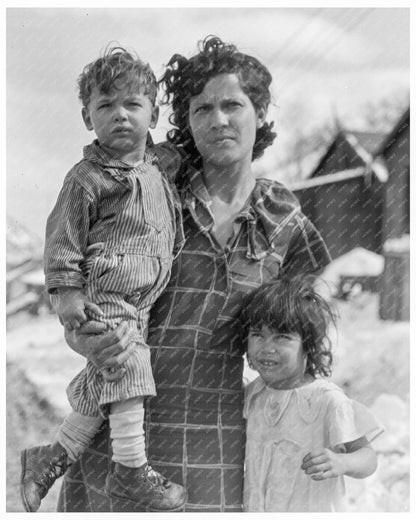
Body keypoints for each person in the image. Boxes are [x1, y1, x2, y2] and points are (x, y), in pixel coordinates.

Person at [57, 36, 332, 512]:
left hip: (217, 436)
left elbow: (299, 339)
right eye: (202, 109)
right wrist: (83, 339)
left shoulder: (285, 222)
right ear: (185, 121)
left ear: (261, 112)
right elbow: (74, 279)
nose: (218, 120)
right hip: (122, 427)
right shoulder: (142, 190)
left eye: (232, 104)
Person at [20, 46, 186, 512]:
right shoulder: (87, 178)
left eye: (133, 104)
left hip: (141, 298)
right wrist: (68, 298)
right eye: (105, 105)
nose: (120, 115)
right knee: (127, 367)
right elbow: (64, 241)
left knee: (107, 378)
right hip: (105, 291)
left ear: (153, 112)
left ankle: (52, 457)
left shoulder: (157, 168)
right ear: (86, 115)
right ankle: (131, 472)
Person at [242, 275, 382, 512]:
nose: (267, 347)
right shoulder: (253, 395)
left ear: (308, 345)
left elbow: (368, 458)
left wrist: (342, 461)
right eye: (258, 334)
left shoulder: (328, 401)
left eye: (282, 337)